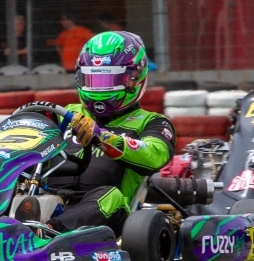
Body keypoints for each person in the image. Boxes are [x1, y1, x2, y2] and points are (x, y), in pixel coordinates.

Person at [38, 31, 175, 235]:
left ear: (134, 78)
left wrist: (102, 137)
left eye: (108, 80)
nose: (99, 89)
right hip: (49, 202)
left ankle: (47, 232)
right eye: (93, 80)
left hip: (111, 216)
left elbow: (154, 155)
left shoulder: (152, 122)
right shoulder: (65, 114)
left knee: (110, 195)